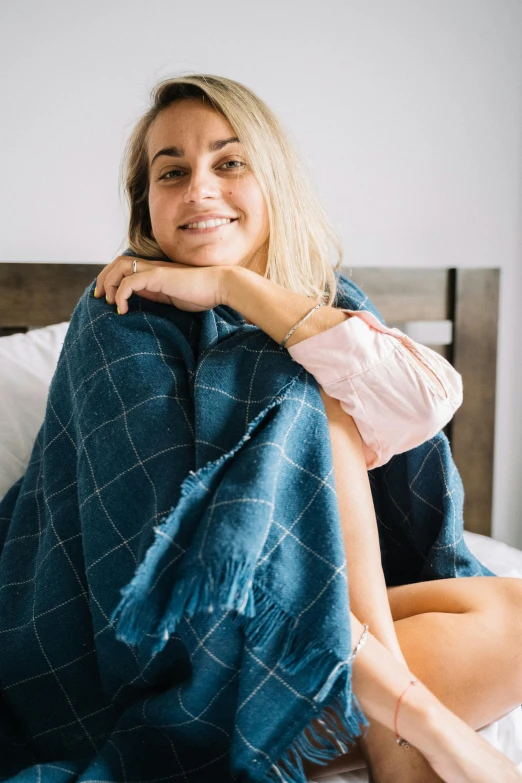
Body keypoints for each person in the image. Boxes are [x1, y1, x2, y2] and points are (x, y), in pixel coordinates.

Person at [92, 73, 522, 782]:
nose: (200, 187)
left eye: (229, 162)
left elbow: (428, 397)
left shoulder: (322, 304)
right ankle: (404, 745)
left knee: (514, 608)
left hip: (310, 633)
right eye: (172, 172)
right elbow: (158, 557)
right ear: (148, 206)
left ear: (272, 180)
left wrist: (234, 287)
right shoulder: (117, 319)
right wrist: (431, 719)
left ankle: (375, 726)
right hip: (192, 646)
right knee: (302, 396)